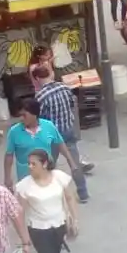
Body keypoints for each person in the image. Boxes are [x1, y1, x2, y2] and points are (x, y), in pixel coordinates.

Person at [14, 149, 79, 253]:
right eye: (28, 163)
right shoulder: (25, 185)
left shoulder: (58, 177)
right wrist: (23, 237)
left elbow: (69, 197)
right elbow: (19, 211)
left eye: (33, 163)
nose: (30, 167)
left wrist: (74, 218)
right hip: (38, 230)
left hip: (59, 226)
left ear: (44, 164)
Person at [32, 66, 91, 203]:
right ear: (50, 74)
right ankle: (83, 193)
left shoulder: (40, 96)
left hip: (52, 135)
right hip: (68, 130)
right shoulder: (64, 87)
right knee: (74, 162)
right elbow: (72, 104)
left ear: (37, 78)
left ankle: (52, 193)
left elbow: (39, 117)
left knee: (49, 163)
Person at [3, 99, 78, 191]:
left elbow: (60, 144)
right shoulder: (14, 132)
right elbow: (9, 155)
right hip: (26, 176)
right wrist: (7, 177)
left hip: (47, 173)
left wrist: (71, 163)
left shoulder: (49, 126)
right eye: (20, 115)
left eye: (24, 115)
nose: (21, 118)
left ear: (34, 114)